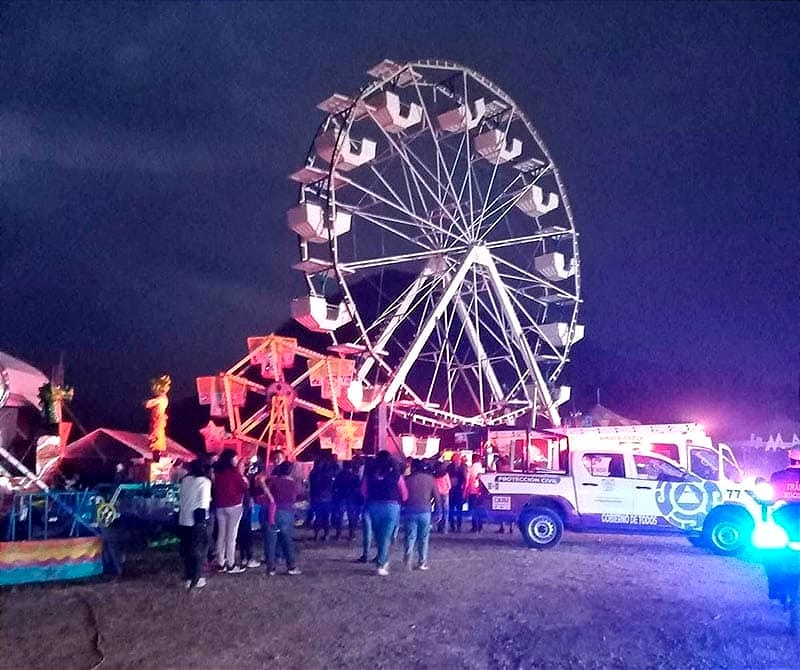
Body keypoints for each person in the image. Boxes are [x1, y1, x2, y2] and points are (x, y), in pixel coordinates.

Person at [362, 450, 407, 575]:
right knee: (386, 535)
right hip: (391, 507)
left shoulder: (370, 473)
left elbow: (363, 491)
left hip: (373, 506)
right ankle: (381, 563)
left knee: (378, 534)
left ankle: (382, 559)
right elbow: (404, 494)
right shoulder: (396, 474)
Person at [212, 448, 248, 573]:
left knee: (221, 535)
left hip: (220, 506)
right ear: (231, 459)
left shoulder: (217, 472)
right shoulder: (235, 473)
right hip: (234, 506)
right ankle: (231, 564)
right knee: (231, 536)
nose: (237, 460)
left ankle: (220, 563)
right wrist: (243, 476)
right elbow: (244, 488)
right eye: (236, 458)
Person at [178, 459, 212, 589]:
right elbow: (203, 503)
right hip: (196, 520)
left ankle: (188, 577)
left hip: (183, 518)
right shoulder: (204, 482)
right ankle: (196, 578)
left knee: (187, 550)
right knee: (198, 551)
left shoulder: (185, 480)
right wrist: (202, 522)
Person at [264, 460, 302, 575]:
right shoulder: (293, 484)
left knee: (270, 541)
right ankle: (291, 566)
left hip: (271, 511)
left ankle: (270, 568)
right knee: (287, 540)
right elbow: (296, 497)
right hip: (286, 513)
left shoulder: (273, 481)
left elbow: (264, 488)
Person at [403, 459, 436, 570]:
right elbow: (437, 496)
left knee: (410, 536)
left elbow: (403, 496)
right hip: (425, 510)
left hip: (410, 510)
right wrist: (439, 511)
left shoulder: (407, 480)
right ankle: (422, 562)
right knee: (423, 537)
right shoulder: (430, 479)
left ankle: (407, 559)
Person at [235, 459, 260, 569]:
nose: (243, 467)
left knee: (242, 533)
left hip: (241, 507)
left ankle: (244, 557)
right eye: (241, 466)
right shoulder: (241, 479)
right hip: (243, 507)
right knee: (246, 533)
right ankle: (248, 558)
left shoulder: (242, 477)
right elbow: (247, 492)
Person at [309, 454, 336, 541]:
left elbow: (312, 485)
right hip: (327, 498)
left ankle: (316, 534)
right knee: (326, 517)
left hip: (316, 497)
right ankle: (326, 534)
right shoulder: (328, 474)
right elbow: (331, 485)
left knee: (318, 516)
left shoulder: (313, 473)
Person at [332, 461, 361, 541]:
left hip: (341, 497)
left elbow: (334, 487)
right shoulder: (354, 476)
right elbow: (358, 488)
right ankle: (352, 534)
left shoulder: (339, 475)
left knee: (340, 516)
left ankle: (338, 534)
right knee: (351, 516)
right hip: (351, 498)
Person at [446, 453, 468, 532]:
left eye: (457, 459)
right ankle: (452, 525)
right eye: (455, 459)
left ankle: (459, 525)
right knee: (451, 508)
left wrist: (465, 490)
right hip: (451, 490)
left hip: (459, 490)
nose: (456, 460)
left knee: (459, 509)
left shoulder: (463, 467)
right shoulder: (449, 467)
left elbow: (466, 479)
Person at [466, 455, 486, 532]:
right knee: (479, 509)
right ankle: (480, 526)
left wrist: (465, 491)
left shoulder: (471, 468)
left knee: (473, 509)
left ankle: (474, 527)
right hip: (480, 491)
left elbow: (467, 480)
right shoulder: (481, 468)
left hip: (472, 491)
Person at [433, 460, 451, 533]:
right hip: (445, 493)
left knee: (438, 510)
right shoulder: (445, 474)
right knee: (446, 511)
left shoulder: (434, 475)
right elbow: (449, 485)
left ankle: (439, 527)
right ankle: (445, 529)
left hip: (437, 494)